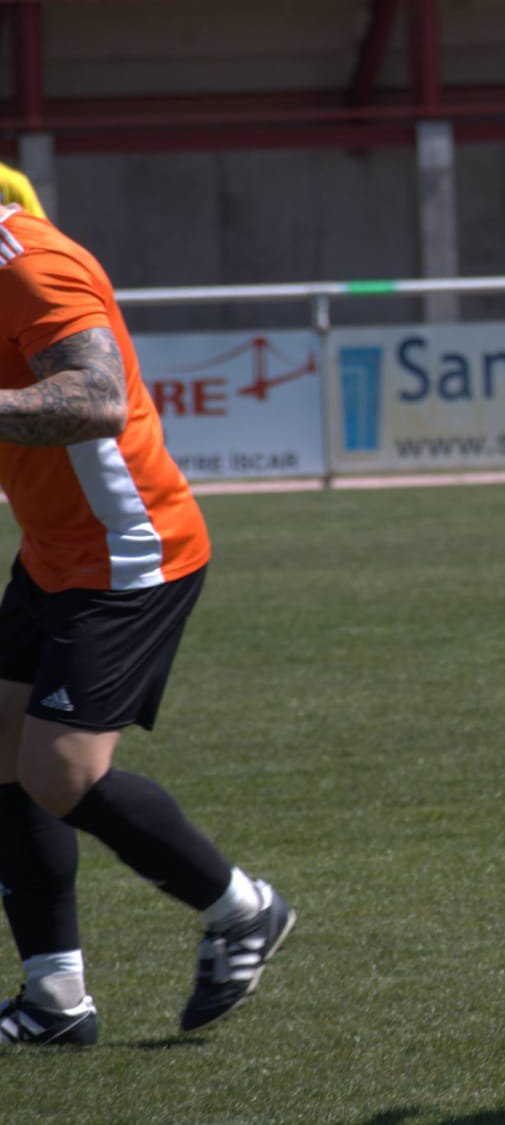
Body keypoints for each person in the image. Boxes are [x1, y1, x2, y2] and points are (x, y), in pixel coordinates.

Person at [0, 205, 294, 1046]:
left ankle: (240, 908)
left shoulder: (29, 266)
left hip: (130, 551)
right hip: (54, 551)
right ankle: (55, 999)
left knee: (59, 771)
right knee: (1, 750)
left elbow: (96, 400)